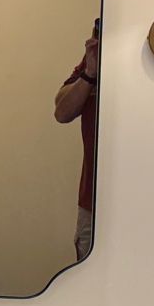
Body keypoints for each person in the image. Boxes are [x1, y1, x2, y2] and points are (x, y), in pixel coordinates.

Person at [53, 19, 100, 260]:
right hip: (91, 202)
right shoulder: (94, 61)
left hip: (141, 198)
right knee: (88, 274)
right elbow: (62, 112)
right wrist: (89, 73)